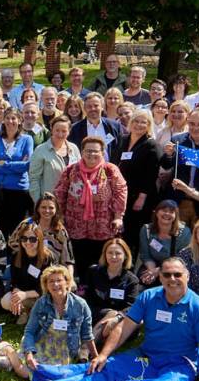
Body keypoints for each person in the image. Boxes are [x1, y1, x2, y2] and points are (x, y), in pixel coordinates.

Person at [91, 256, 199, 381]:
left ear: (187, 276)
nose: (172, 279)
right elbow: (123, 328)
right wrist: (103, 355)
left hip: (179, 364)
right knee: (109, 368)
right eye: (167, 275)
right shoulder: (148, 296)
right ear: (160, 277)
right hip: (147, 356)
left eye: (177, 274)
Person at [0, 262, 96, 380]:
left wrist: (96, 357)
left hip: (66, 349)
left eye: (59, 280)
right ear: (46, 286)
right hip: (42, 344)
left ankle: (12, 356)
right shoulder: (41, 303)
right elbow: (29, 331)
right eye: (51, 281)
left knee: (57, 377)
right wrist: (29, 354)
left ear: (67, 282)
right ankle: (9, 350)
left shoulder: (80, 305)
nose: (55, 284)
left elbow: (87, 335)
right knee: (26, 374)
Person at [52, 135, 127, 291]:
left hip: (102, 225)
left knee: (100, 257)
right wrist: (59, 217)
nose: (91, 154)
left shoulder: (110, 170)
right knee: (79, 256)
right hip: (76, 224)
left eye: (95, 151)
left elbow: (120, 191)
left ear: (102, 152)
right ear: (82, 151)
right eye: (88, 151)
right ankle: (81, 287)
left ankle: (99, 288)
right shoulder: (72, 170)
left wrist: (118, 216)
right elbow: (60, 192)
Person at [116, 109, 164, 249]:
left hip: (139, 197)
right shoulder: (123, 139)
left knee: (133, 233)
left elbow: (151, 175)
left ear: (149, 125)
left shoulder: (151, 145)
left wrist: (142, 198)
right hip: (121, 194)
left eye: (143, 122)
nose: (139, 125)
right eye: (136, 121)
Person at [83, 237, 142, 344]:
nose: (113, 257)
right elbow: (86, 296)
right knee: (111, 313)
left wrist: (116, 317)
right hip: (94, 313)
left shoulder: (131, 280)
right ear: (105, 255)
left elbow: (131, 306)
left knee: (113, 318)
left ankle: (87, 348)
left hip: (119, 319)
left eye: (118, 253)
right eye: (110, 253)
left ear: (125, 256)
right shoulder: (93, 272)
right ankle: (91, 348)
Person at [0, 107, 35, 234]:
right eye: (7, 118)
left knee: (17, 229)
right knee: (0, 228)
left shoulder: (27, 140)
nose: (10, 121)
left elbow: (27, 165)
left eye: (13, 118)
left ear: (20, 120)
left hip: (19, 191)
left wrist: (5, 164)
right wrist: (16, 166)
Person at [135, 199, 191, 287]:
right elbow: (145, 255)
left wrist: (160, 271)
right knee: (144, 278)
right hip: (152, 265)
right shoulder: (146, 230)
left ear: (176, 216)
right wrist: (152, 271)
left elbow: (182, 258)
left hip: (175, 267)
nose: (167, 214)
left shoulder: (184, 232)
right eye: (164, 211)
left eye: (171, 212)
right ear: (156, 213)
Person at [28, 115, 76, 202]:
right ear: (51, 130)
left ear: (69, 131)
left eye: (64, 131)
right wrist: (38, 202)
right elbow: (34, 179)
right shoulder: (41, 150)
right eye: (57, 130)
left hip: (71, 203)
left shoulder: (74, 149)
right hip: (49, 203)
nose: (60, 134)